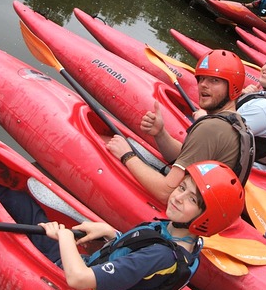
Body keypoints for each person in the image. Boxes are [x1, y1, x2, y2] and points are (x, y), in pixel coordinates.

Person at [0, 161, 244, 290]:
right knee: (30, 212)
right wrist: (111, 233)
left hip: (84, 288)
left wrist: (65, 238)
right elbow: (138, 259)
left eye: (192, 200)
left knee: (24, 206)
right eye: (182, 188)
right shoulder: (187, 241)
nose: (178, 198)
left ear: (205, 218)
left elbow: (78, 279)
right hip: (103, 273)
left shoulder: (160, 256)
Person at [106, 49, 255, 204]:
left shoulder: (211, 129)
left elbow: (165, 192)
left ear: (233, 87)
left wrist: (127, 156)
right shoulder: (239, 124)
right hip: (209, 205)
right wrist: (161, 134)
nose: (203, 85)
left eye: (214, 80)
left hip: (191, 212)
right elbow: (187, 157)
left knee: (109, 143)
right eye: (202, 79)